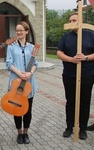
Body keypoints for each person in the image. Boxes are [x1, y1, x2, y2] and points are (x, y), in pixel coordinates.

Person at [57, 12, 94, 140]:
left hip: (87, 74)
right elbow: (59, 53)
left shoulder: (91, 35)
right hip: (69, 74)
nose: (72, 22)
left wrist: (86, 57)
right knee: (70, 102)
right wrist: (71, 59)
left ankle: (82, 128)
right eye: (70, 20)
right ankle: (69, 127)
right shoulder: (66, 37)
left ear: (80, 21)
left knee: (84, 102)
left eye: (74, 20)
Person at [5, 21, 38, 144]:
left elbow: (35, 64)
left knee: (28, 110)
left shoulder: (32, 47)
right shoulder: (11, 46)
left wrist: (30, 73)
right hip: (16, 82)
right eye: (17, 30)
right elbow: (8, 63)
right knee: (17, 109)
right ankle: (19, 133)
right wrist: (19, 73)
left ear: (26, 32)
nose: (18, 32)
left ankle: (26, 133)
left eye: (21, 30)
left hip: (29, 83)